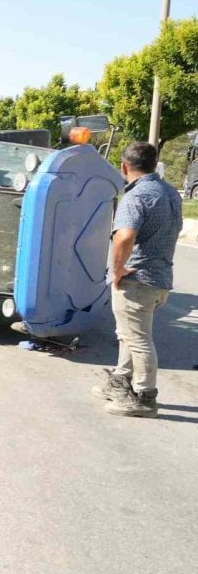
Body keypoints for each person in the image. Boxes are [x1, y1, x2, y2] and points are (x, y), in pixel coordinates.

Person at [92, 141, 182, 418]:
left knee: (139, 339)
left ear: (124, 167)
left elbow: (125, 236)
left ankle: (144, 396)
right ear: (154, 165)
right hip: (160, 277)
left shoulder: (136, 195)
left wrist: (117, 269)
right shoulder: (169, 192)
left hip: (137, 279)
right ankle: (120, 382)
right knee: (130, 335)